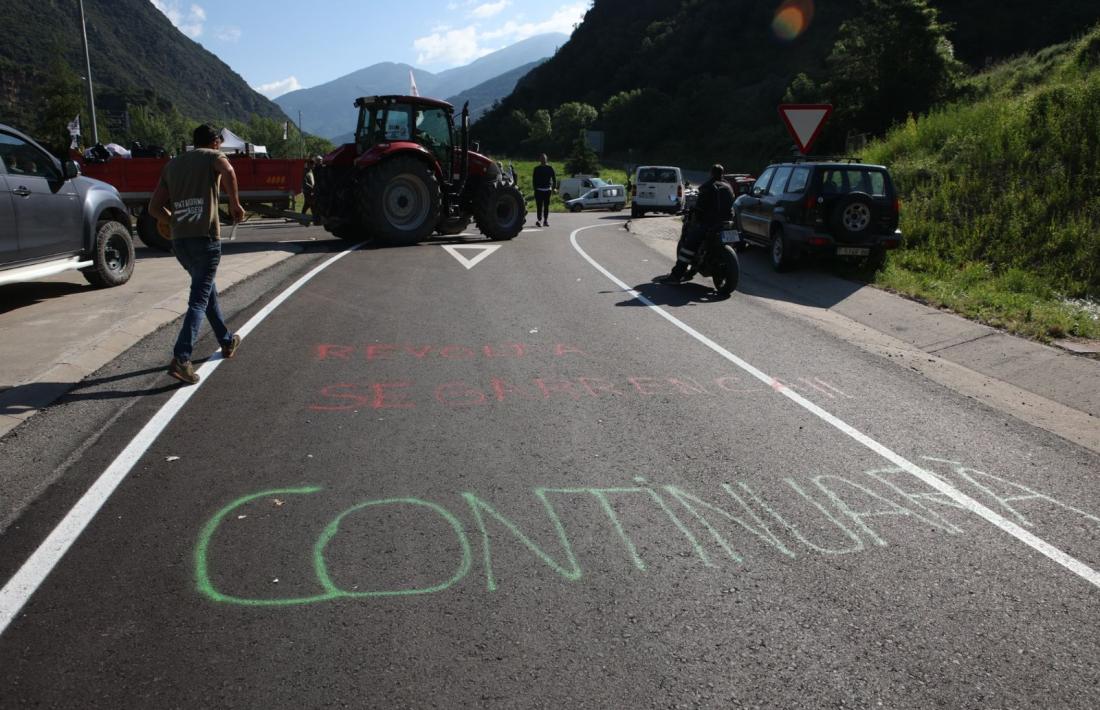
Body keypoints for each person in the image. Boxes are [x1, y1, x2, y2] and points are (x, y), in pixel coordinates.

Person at [149, 123, 246, 385]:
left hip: (181, 242)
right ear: (215, 142)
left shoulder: (173, 165)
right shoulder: (213, 157)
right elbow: (229, 171)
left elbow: (154, 207)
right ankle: (181, 358)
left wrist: (173, 221)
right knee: (199, 300)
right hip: (205, 238)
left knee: (206, 290)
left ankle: (227, 341)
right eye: (220, 144)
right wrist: (235, 204)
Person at [657, 164, 735, 283]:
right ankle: (695, 268)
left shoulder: (708, 187)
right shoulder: (728, 186)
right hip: (727, 222)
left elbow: (700, 207)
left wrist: (694, 212)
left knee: (688, 246)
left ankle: (676, 276)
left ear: (711, 173)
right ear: (722, 173)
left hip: (710, 224)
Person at [532, 154, 556, 227]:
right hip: (538, 190)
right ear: (540, 160)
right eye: (541, 159)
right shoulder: (536, 169)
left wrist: (554, 188)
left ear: (546, 159)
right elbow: (534, 180)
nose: (543, 160)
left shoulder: (550, 168)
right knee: (539, 206)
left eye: (544, 159)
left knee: (546, 206)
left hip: (547, 190)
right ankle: (539, 220)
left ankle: (545, 220)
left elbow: (554, 179)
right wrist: (535, 189)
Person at [301, 158, 316, 224]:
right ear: (309, 164)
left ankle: (301, 218)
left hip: (310, 191)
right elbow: (304, 182)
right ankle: (315, 219)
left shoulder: (310, 171)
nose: (313, 166)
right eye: (312, 165)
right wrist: (312, 187)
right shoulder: (305, 172)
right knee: (311, 204)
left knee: (307, 205)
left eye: (313, 165)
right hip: (307, 191)